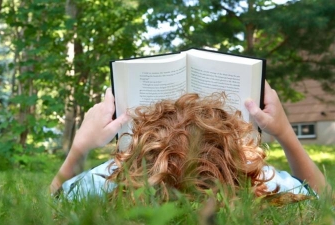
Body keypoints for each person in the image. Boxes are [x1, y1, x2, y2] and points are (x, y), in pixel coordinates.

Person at [49, 81, 328, 201]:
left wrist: (80, 147)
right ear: (234, 156)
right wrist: (285, 133)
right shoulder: (261, 181)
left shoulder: (106, 181)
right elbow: (325, 199)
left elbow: (50, 200)